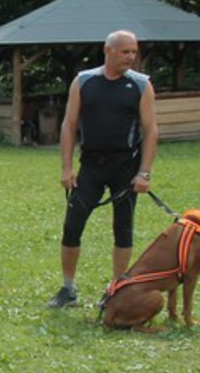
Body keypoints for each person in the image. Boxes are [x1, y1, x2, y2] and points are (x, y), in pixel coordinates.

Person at [47, 30, 157, 308]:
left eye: (134, 52)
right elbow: (69, 125)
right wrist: (66, 168)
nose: (131, 57)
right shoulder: (84, 81)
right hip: (91, 166)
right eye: (125, 52)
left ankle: (116, 290)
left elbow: (150, 130)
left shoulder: (141, 85)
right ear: (108, 51)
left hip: (126, 168)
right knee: (72, 226)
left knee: (123, 228)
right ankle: (68, 289)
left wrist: (144, 172)